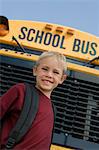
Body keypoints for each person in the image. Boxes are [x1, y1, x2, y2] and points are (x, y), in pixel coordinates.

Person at [0, 51, 67, 150]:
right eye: (44, 69)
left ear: (62, 79)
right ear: (35, 70)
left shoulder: (53, 109)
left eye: (55, 72)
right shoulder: (21, 91)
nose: (49, 75)